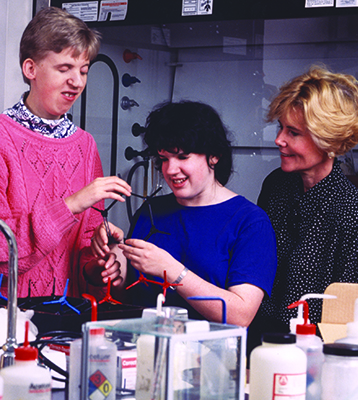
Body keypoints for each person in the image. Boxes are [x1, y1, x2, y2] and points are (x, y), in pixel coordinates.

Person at [90, 100, 277, 327]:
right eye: (164, 159)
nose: (170, 170)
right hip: (145, 349)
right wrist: (113, 260)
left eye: (182, 157)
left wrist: (173, 271)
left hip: (212, 357)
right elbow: (129, 301)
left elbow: (240, 316)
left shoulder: (250, 222)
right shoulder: (151, 212)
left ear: (214, 155)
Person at [0, 7, 131, 299]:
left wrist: (100, 264)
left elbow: (83, 248)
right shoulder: (2, 138)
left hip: (66, 322)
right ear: (30, 69)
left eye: (83, 70)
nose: (78, 81)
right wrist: (71, 205)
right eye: (64, 69)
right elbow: (1, 250)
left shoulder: (85, 145)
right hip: (6, 324)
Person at [248, 66, 358, 353]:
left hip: (315, 354)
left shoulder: (354, 214)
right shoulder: (276, 185)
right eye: (281, 127)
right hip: (259, 340)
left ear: (329, 140)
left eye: (293, 132)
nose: (279, 139)